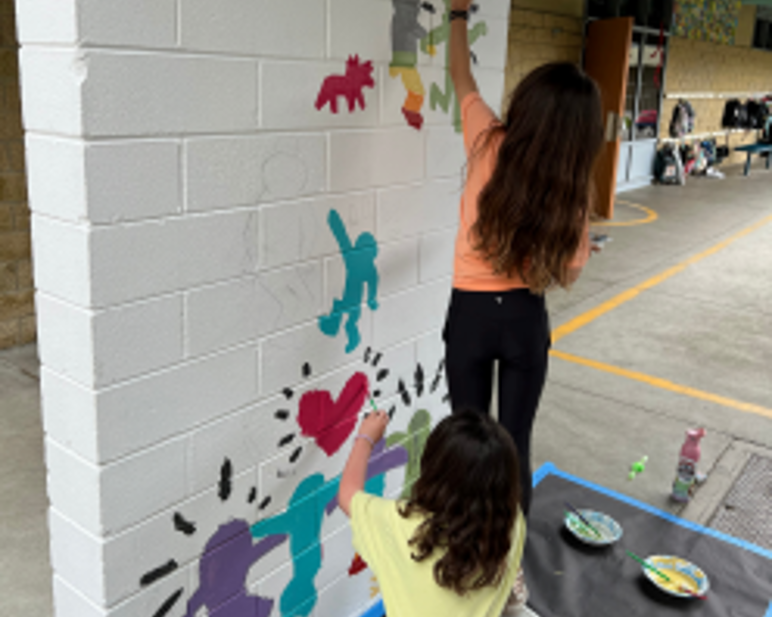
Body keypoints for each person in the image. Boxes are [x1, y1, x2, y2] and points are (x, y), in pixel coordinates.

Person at [444, 2, 604, 516]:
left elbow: (460, 73)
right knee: (514, 446)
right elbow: (568, 273)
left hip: (469, 316)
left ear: (528, 103)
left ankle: (462, 557)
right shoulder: (572, 193)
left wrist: (457, 15)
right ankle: (510, 571)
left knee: (466, 446)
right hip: (522, 321)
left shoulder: (488, 140)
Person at [338, 409, 527, 617]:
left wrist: (365, 437)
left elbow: (347, 494)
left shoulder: (402, 527)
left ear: (431, 468)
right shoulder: (511, 520)